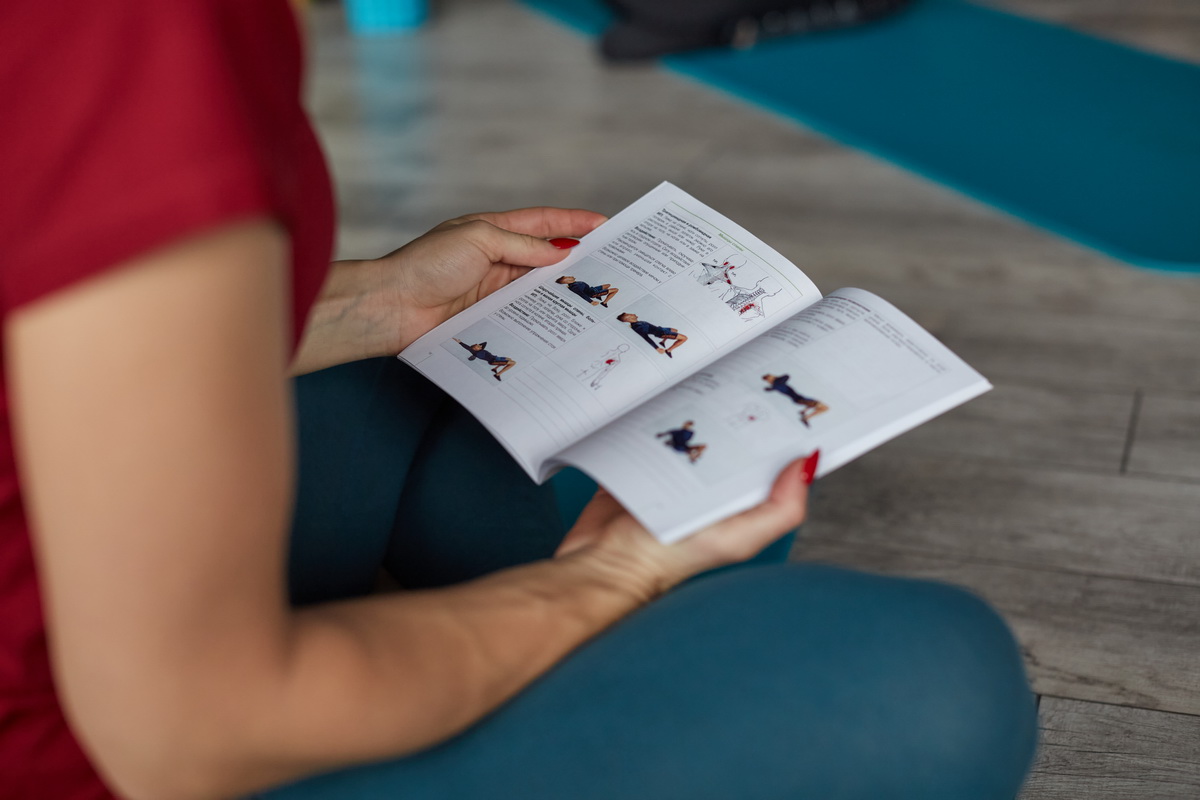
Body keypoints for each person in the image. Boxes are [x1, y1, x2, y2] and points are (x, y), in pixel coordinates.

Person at [0, 2, 1037, 799]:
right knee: (934, 684)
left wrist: (375, 302)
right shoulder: (138, 41)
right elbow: (191, 734)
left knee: (451, 392)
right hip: (108, 751)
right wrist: (604, 580)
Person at [763, 372, 830, 427]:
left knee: (821, 405)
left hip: (799, 398)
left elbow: (786, 376)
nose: (774, 376)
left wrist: (772, 384)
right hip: (799, 399)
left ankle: (804, 414)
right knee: (823, 407)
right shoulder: (777, 383)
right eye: (771, 376)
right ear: (769, 379)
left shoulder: (776, 384)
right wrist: (774, 380)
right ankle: (805, 417)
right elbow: (786, 376)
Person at [617, 311, 689, 357]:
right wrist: (657, 348)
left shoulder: (638, 322)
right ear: (628, 319)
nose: (633, 314)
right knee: (684, 338)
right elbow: (645, 337)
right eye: (630, 314)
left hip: (661, 329)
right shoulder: (637, 327)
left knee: (675, 330)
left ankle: (662, 342)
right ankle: (669, 350)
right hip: (662, 333)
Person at [452, 337, 517, 380]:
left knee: (509, 359)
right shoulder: (475, 352)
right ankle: (497, 374)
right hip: (493, 361)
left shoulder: (480, 350)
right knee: (513, 363)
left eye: (479, 346)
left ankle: (495, 369)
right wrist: (460, 342)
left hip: (496, 357)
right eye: (477, 346)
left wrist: (479, 345)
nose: (480, 346)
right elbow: (467, 347)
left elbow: (485, 343)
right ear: (473, 349)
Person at [555, 275, 620, 307]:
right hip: (593, 293)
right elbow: (581, 294)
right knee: (616, 290)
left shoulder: (575, 283)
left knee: (608, 285)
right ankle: (604, 303)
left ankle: (598, 296)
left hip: (592, 289)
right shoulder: (574, 287)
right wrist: (591, 301)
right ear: (567, 281)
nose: (570, 276)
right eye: (568, 277)